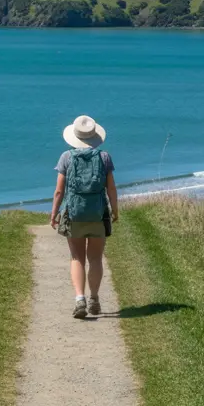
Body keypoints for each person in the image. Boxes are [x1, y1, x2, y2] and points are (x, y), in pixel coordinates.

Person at [50, 114, 119, 319]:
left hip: (74, 213)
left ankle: (80, 298)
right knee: (96, 258)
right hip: (98, 214)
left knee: (77, 257)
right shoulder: (104, 158)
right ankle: (94, 299)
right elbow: (112, 189)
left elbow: (59, 192)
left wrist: (54, 214)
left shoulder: (66, 157)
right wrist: (115, 211)